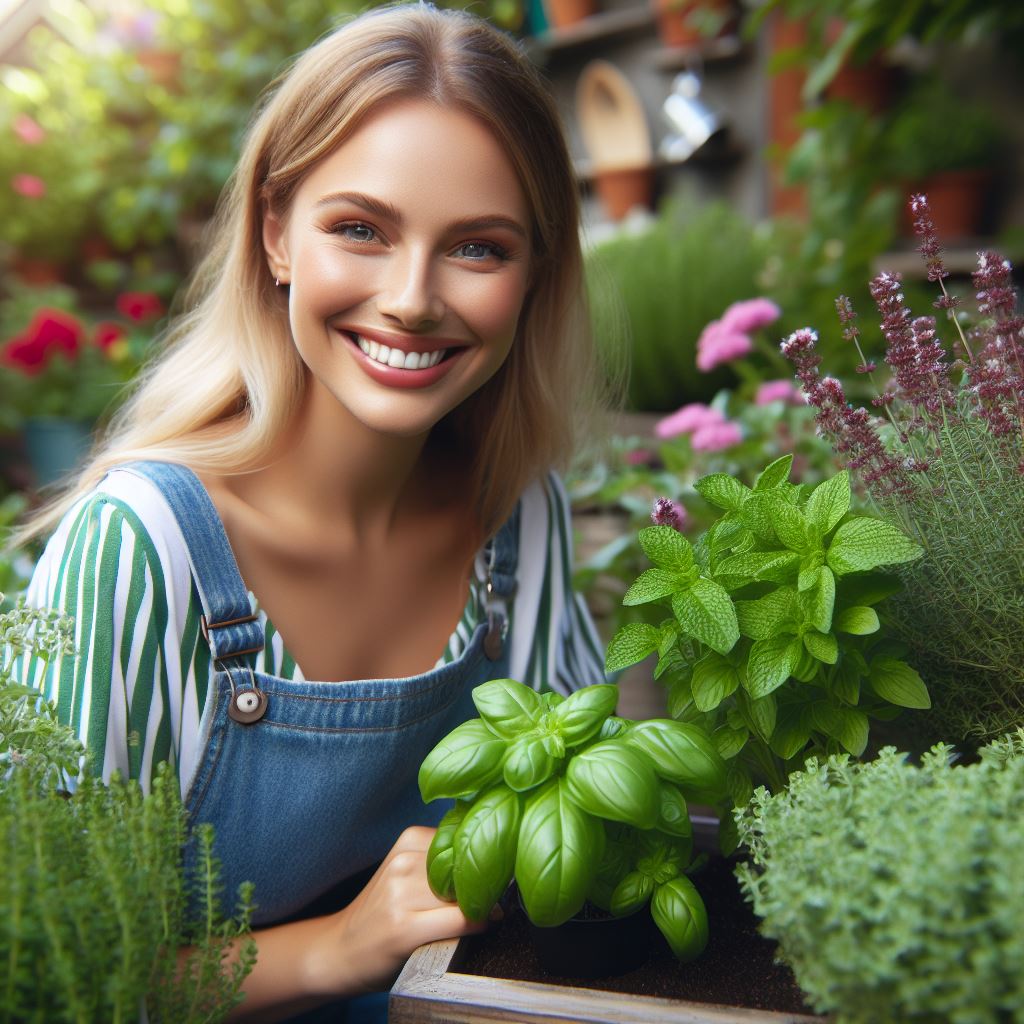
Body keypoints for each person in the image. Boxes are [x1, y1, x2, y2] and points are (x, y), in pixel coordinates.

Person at [14, 3, 613, 1020]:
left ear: (534, 278)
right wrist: (337, 946)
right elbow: (40, 977)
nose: (413, 298)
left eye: (477, 248)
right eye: (360, 230)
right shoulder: (138, 549)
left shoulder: (518, 518)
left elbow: (577, 848)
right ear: (275, 233)